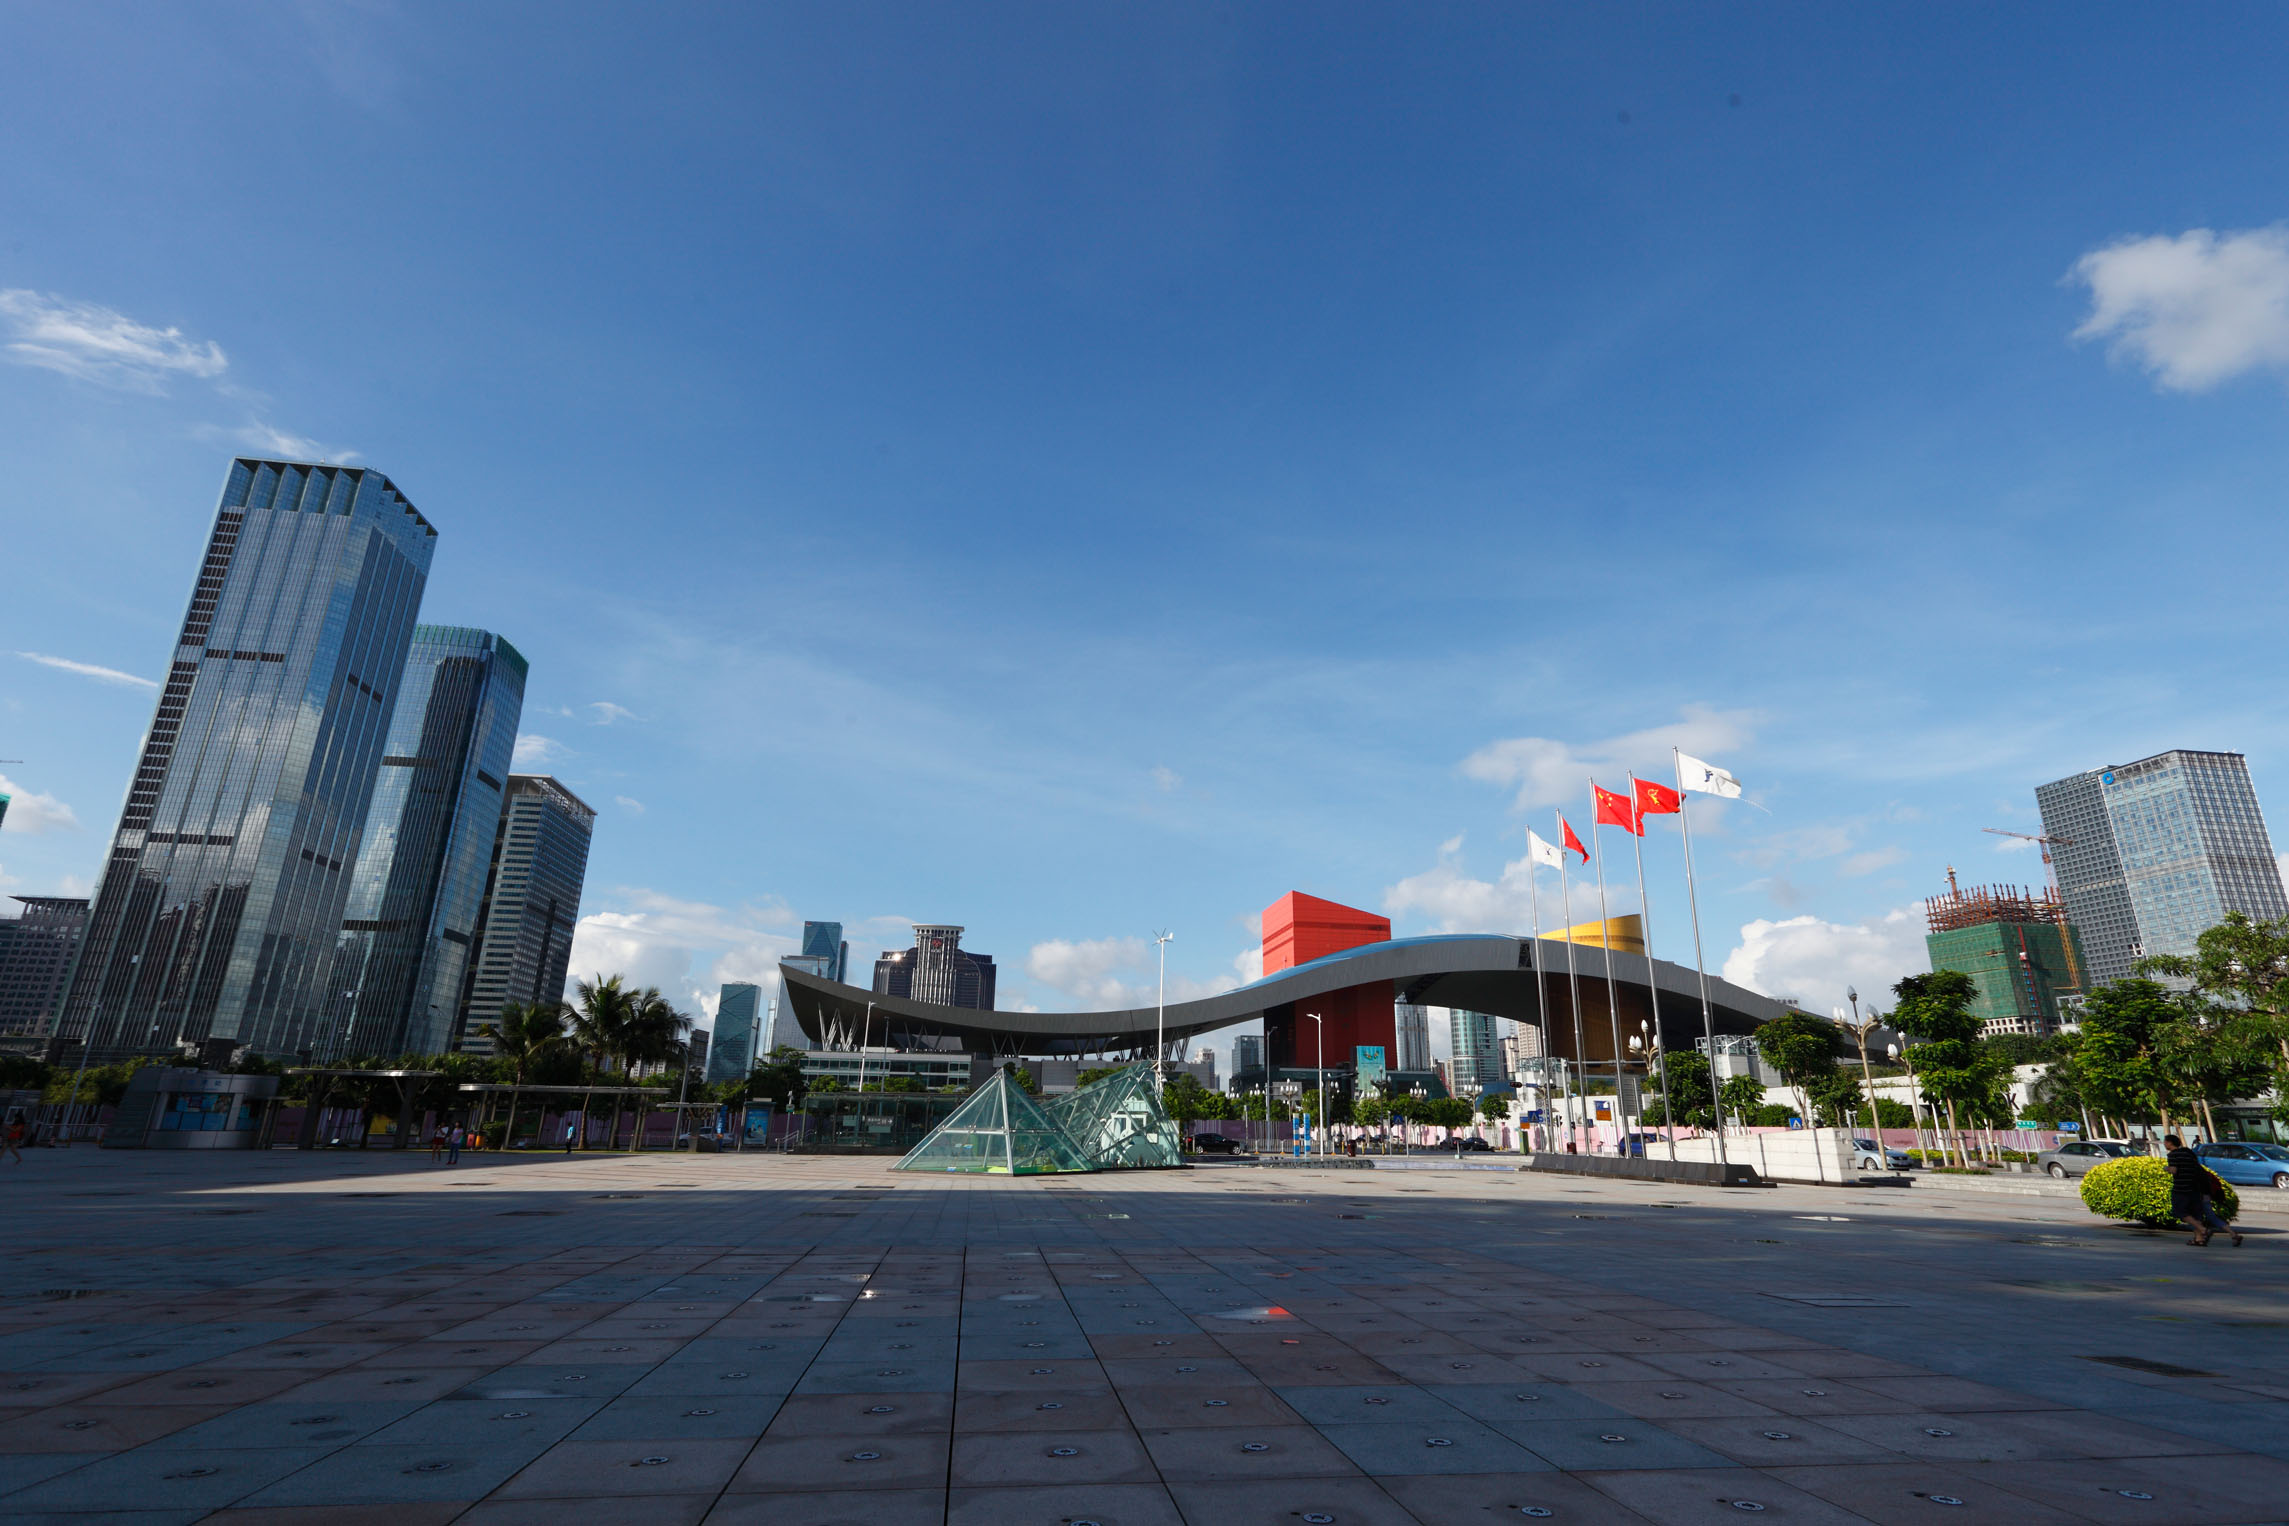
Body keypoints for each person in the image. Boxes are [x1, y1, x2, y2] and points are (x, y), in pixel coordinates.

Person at [2163, 1135, 2241, 1247]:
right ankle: (2199, 1239)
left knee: (2180, 1212)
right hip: (2196, 1188)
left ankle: (2203, 1230)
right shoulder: (2188, 1153)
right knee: (2196, 1215)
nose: (2164, 1144)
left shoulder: (2173, 1155)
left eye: (2165, 1142)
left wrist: (2166, 1168)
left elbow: (2174, 1170)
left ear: (2170, 1143)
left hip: (2182, 1188)